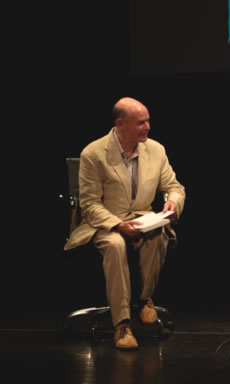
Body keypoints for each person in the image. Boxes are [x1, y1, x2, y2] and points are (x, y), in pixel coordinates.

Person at [64, 97, 186, 349]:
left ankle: (144, 299)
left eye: (148, 121)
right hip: (104, 222)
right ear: (120, 124)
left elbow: (174, 186)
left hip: (141, 217)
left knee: (158, 232)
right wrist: (118, 224)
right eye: (141, 123)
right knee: (116, 245)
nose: (148, 127)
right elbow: (89, 204)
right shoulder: (93, 153)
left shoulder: (156, 150)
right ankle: (122, 326)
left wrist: (173, 202)